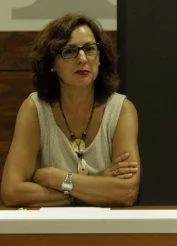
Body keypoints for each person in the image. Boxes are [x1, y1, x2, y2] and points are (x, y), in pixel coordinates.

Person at [1, 13, 140, 207]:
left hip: (108, 231)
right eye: (69, 51)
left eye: (90, 49)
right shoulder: (35, 109)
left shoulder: (122, 109)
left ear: (100, 59)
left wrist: (54, 177)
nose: (82, 58)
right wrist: (95, 186)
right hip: (50, 232)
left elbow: (126, 192)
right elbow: (12, 192)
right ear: (52, 64)